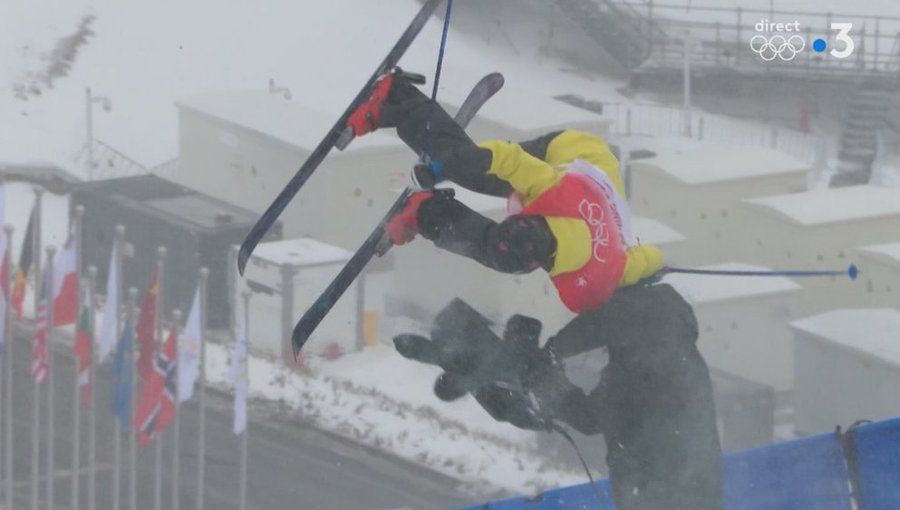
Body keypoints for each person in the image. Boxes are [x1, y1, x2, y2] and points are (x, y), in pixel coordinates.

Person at [346, 69, 663, 313]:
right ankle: (396, 98)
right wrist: (441, 167)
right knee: (473, 173)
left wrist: (653, 266)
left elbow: (643, 259)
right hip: (577, 153)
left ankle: (425, 211)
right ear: (534, 217)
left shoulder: (595, 279)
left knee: (500, 256)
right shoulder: (554, 190)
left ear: (537, 261)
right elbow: (505, 158)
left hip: (591, 198)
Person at [395, 284, 723, 510]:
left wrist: (544, 364)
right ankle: (475, 359)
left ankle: (474, 358)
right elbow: (594, 410)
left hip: (661, 492)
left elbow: (590, 415)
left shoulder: (643, 368)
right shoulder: (674, 357)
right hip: (674, 491)